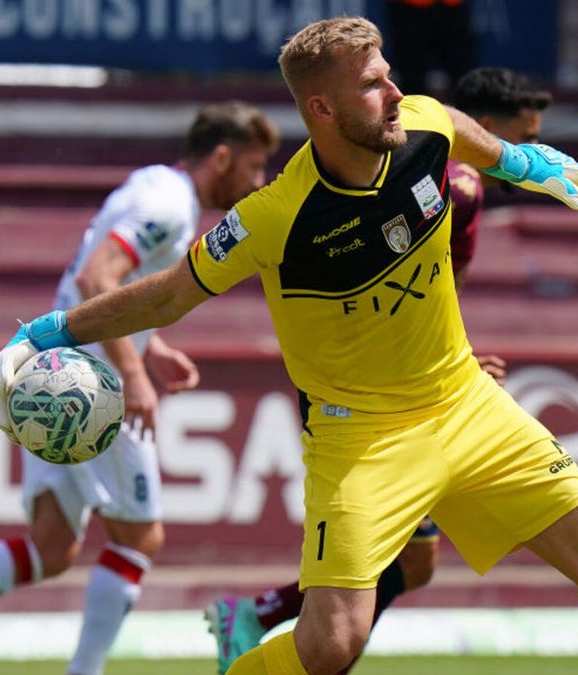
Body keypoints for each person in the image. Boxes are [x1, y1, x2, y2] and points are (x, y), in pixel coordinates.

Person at [0, 16, 578, 675]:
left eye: (388, 76)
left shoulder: (417, 122)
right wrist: (51, 329)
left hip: (468, 404)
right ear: (321, 109)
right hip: (362, 440)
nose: (394, 94)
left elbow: (449, 122)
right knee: (330, 645)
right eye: (371, 85)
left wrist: (518, 159)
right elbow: (170, 293)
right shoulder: (272, 218)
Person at [0, 102, 280, 675]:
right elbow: (95, 278)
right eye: (255, 167)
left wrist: (150, 349)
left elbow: (101, 282)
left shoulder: (153, 189)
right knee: (140, 537)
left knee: (52, 547)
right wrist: (132, 374)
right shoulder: (168, 204)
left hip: (59, 368)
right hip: (88, 386)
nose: (258, 183)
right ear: (222, 157)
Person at [202, 66, 553, 673]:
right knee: (368, 580)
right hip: (371, 403)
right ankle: (261, 618)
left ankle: (261, 614)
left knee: (412, 565)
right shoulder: (458, 184)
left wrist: (455, 359)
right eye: (523, 136)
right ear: (488, 129)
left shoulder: (433, 169)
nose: (526, 151)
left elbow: (428, 288)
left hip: (403, 385)